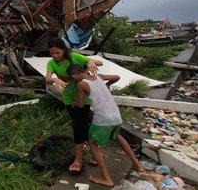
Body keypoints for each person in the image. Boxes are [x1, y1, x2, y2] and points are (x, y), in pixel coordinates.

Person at [67, 65, 145, 187]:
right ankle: (137, 165)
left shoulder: (81, 84)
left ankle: (107, 179)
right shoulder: (98, 77)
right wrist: (107, 84)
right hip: (116, 116)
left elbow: (81, 105)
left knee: (93, 144)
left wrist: (74, 103)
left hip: (103, 118)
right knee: (118, 136)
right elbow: (117, 77)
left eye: (73, 78)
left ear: (74, 75)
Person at [45, 38, 102, 173]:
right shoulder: (51, 63)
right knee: (81, 125)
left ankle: (79, 159)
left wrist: (90, 62)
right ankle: (95, 154)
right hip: (69, 99)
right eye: (52, 53)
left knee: (79, 126)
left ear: (64, 50)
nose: (54, 56)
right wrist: (54, 78)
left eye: (57, 53)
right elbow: (47, 79)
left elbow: (97, 62)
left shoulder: (75, 57)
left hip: (84, 98)